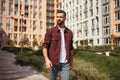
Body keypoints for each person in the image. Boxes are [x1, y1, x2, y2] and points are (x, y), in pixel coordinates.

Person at [42, 9, 74, 80]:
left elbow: (71, 48)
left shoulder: (69, 33)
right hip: (53, 63)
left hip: (65, 63)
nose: (58, 18)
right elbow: (45, 46)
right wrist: (47, 60)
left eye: (61, 17)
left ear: (65, 18)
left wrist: (71, 61)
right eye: (57, 17)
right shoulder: (50, 31)